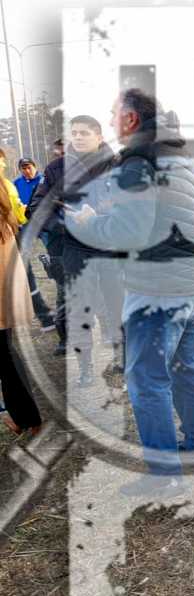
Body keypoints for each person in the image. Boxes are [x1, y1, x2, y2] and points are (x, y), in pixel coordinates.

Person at [67, 89, 194, 493]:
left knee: (146, 380)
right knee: (187, 368)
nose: (109, 118)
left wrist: (86, 223)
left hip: (157, 286)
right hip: (191, 278)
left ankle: (165, 476)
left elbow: (130, 231)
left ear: (131, 119)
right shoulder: (176, 156)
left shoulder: (138, 159)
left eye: (113, 112)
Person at [33, 115, 120, 385]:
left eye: (85, 132)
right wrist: (65, 222)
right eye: (75, 133)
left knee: (118, 307)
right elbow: (36, 207)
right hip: (74, 249)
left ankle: (123, 361)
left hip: (113, 248)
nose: (79, 137)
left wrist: (101, 213)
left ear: (100, 136)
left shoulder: (120, 166)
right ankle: (85, 369)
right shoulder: (56, 169)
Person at [0, 155, 43, 437]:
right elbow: (18, 218)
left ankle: (27, 417)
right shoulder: (6, 187)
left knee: (6, 356)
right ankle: (25, 417)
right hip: (6, 290)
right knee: (6, 355)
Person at [1, 154, 56, 333]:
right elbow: (17, 210)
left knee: (26, 274)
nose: (26, 170)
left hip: (25, 228)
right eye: (23, 167)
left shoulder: (41, 180)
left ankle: (45, 316)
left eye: (29, 166)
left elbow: (17, 209)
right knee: (24, 275)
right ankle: (45, 316)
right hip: (14, 232)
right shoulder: (12, 183)